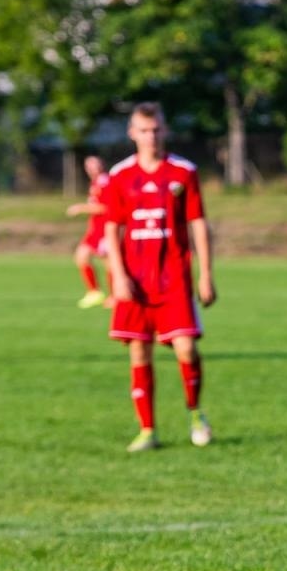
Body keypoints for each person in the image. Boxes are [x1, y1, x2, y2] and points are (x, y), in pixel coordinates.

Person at [101, 103, 217, 453]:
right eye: (143, 130)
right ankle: (147, 429)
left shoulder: (183, 173)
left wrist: (206, 275)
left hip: (174, 279)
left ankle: (195, 412)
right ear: (132, 133)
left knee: (185, 346)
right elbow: (111, 228)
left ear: (164, 131)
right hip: (135, 280)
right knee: (139, 351)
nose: (150, 137)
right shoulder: (120, 176)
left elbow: (198, 224)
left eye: (155, 130)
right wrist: (118, 278)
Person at [67, 154, 111, 308]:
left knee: (109, 262)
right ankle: (94, 292)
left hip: (106, 230)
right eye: (90, 166)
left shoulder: (106, 182)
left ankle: (113, 296)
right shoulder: (95, 183)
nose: (93, 169)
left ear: (102, 165)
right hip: (96, 230)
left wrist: (80, 208)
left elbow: (107, 207)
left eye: (96, 165)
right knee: (81, 256)